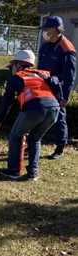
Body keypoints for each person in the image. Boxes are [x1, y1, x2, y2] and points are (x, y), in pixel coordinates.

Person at [0, 50, 61, 181]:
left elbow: (6, 103)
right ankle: (33, 173)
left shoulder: (17, 77)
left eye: (12, 66)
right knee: (35, 139)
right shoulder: (44, 74)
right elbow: (57, 88)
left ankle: (13, 170)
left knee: (15, 136)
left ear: (19, 64)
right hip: (54, 109)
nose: (11, 69)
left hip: (33, 109)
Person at [38, 16, 76, 159]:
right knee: (37, 114)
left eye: (47, 29)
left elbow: (69, 75)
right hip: (42, 86)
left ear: (54, 30)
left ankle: (59, 148)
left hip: (57, 88)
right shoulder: (46, 44)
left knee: (59, 117)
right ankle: (33, 143)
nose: (45, 31)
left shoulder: (67, 48)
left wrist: (66, 96)